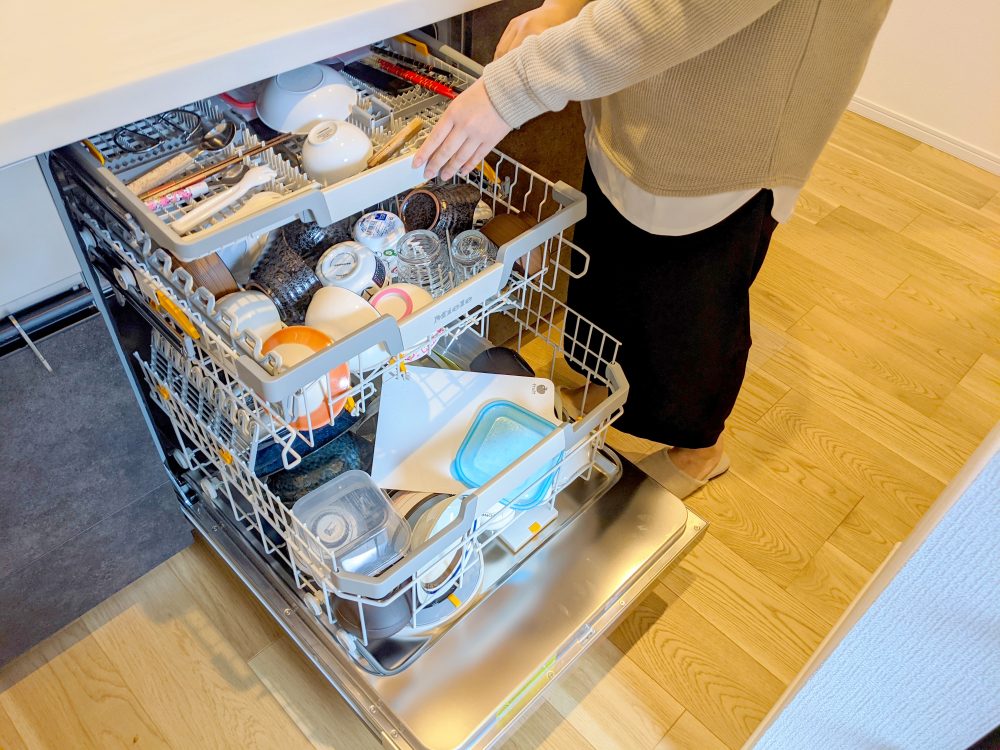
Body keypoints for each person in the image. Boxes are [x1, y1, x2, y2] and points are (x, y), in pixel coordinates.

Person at [414, 0, 891, 498]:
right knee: (617, 270)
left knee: (687, 308)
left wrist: (512, 89)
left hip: (732, 121)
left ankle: (700, 451)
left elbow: (683, 11)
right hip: (643, 98)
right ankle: (609, 387)